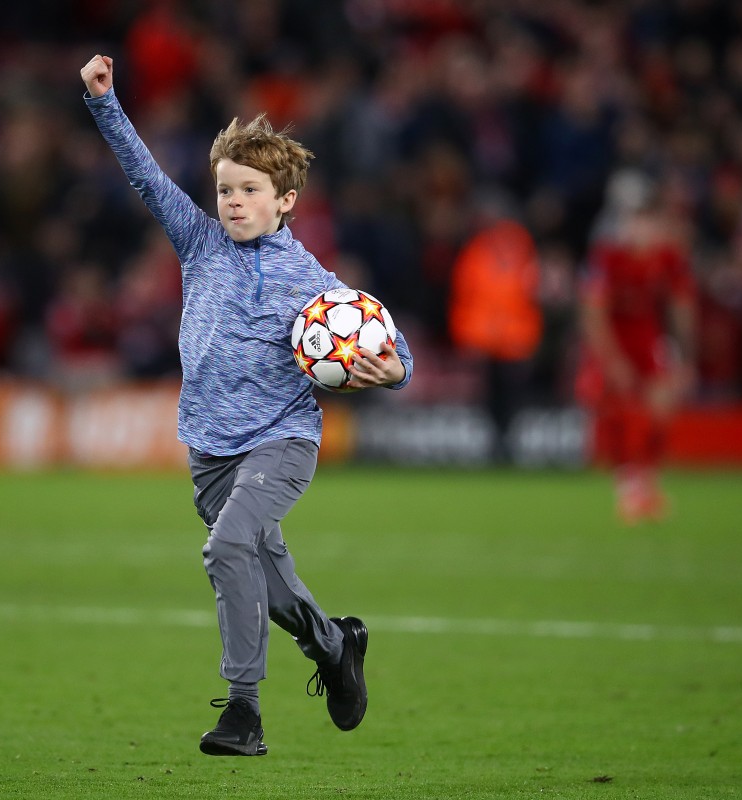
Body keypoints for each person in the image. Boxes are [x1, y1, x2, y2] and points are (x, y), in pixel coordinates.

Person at [80, 54, 414, 757]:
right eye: (225, 188)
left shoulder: (309, 278)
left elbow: (385, 340)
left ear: (284, 200)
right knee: (267, 579)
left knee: (227, 547)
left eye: (248, 190)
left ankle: (243, 712)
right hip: (209, 447)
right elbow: (146, 176)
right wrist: (105, 102)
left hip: (282, 441)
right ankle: (334, 644)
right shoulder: (199, 243)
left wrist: (395, 370)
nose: (231, 201)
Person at [576, 180, 696, 524]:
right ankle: (628, 487)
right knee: (619, 408)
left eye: (649, 222)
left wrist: (686, 357)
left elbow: (682, 306)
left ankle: (648, 481)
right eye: (635, 222)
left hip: (647, 336)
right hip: (613, 337)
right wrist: (610, 359)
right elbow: (593, 311)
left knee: (661, 406)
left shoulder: (669, 257)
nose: (642, 230)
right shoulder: (607, 257)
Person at [448, 189, 542, 463]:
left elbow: (528, 293)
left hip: (511, 339)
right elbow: (465, 297)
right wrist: (468, 336)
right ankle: (499, 444)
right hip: (492, 339)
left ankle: (506, 443)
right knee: (493, 397)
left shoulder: (514, 247)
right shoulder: (480, 250)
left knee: (508, 396)